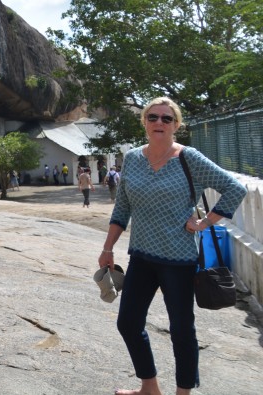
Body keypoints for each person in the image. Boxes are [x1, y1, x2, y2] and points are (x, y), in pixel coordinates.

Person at [99, 97, 246, 395]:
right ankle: (150, 388)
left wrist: (205, 223)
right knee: (128, 323)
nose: (159, 123)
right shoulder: (133, 159)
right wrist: (108, 248)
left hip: (179, 260)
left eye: (167, 119)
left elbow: (234, 188)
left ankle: (183, 393)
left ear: (176, 125)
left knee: (181, 330)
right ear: (144, 121)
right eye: (153, 117)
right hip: (141, 255)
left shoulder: (188, 158)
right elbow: (122, 208)